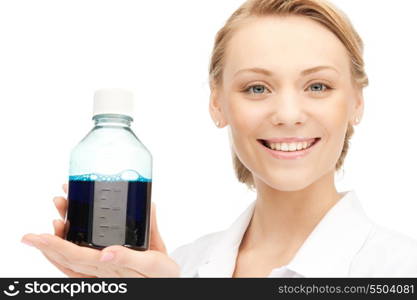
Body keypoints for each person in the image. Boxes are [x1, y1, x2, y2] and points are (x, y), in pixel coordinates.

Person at [21, 0, 417, 277]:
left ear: (357, 103)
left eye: (317, 85)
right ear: (217, 104)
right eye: (257, 88)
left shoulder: (400, 269)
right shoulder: (184, 266)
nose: (289, 115)